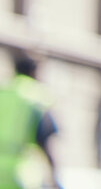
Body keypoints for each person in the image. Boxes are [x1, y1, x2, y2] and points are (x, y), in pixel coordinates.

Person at [0, 53, 59, 189]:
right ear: (35, 72)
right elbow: (45, 139)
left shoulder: (3, 92)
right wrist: (54, 176)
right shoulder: (36, 97)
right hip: (21, 175)